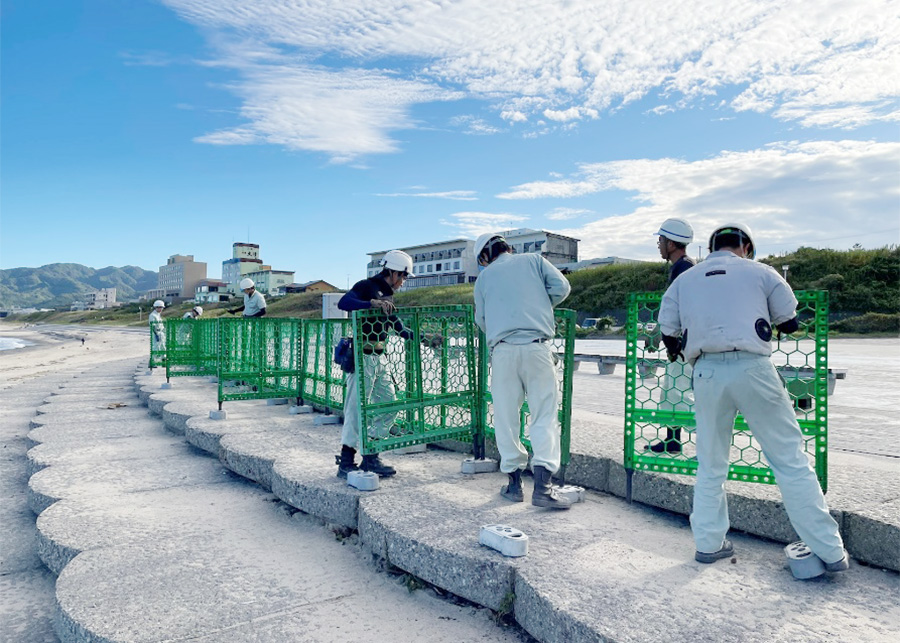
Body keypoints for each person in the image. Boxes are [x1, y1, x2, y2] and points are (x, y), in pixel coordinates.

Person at [658, 223, 848, 572]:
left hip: (707, 370)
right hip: (753, 367)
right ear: (745, 245)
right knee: (789, 459)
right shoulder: (762, 272)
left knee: (711, 463)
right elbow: (788, 321)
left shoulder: (686, 279)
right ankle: (830, 551)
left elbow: (668, 330)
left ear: (713, 246)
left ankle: (709, 544)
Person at [473, 233, 573, 509]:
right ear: (508, 247)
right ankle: (543, 488)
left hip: (503, 351)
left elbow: (481, 319)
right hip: (536, 346)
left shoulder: (484, 278)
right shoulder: (534, 260)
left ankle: (514, 485)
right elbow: (562, 287)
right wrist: (539, 306)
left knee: (506, 418)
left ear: (484, 256)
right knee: (543, 415)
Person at [335, 250, 417, 478]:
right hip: (362, 355)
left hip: (380, 358)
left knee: (389, 404)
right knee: (355, 408)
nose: (403, 281)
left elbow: (397, 325)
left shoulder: (389, 294)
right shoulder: (366, 285)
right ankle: (347, 459)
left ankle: (370, 454)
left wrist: (424, 338)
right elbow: (344, 302)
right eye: (402, 275)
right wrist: (370, 303)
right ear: (391, 271)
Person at [646, 217, 696, 453]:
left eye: (661, 239)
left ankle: (706, 441)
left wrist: (671, 339)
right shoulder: (683, 266)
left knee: (680, 393)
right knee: (671, 390)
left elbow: (681, 307)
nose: (659, 244)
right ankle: (672, 440)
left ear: (672, 244)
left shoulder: (684, 268)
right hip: (682, 341)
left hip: (685, 343)